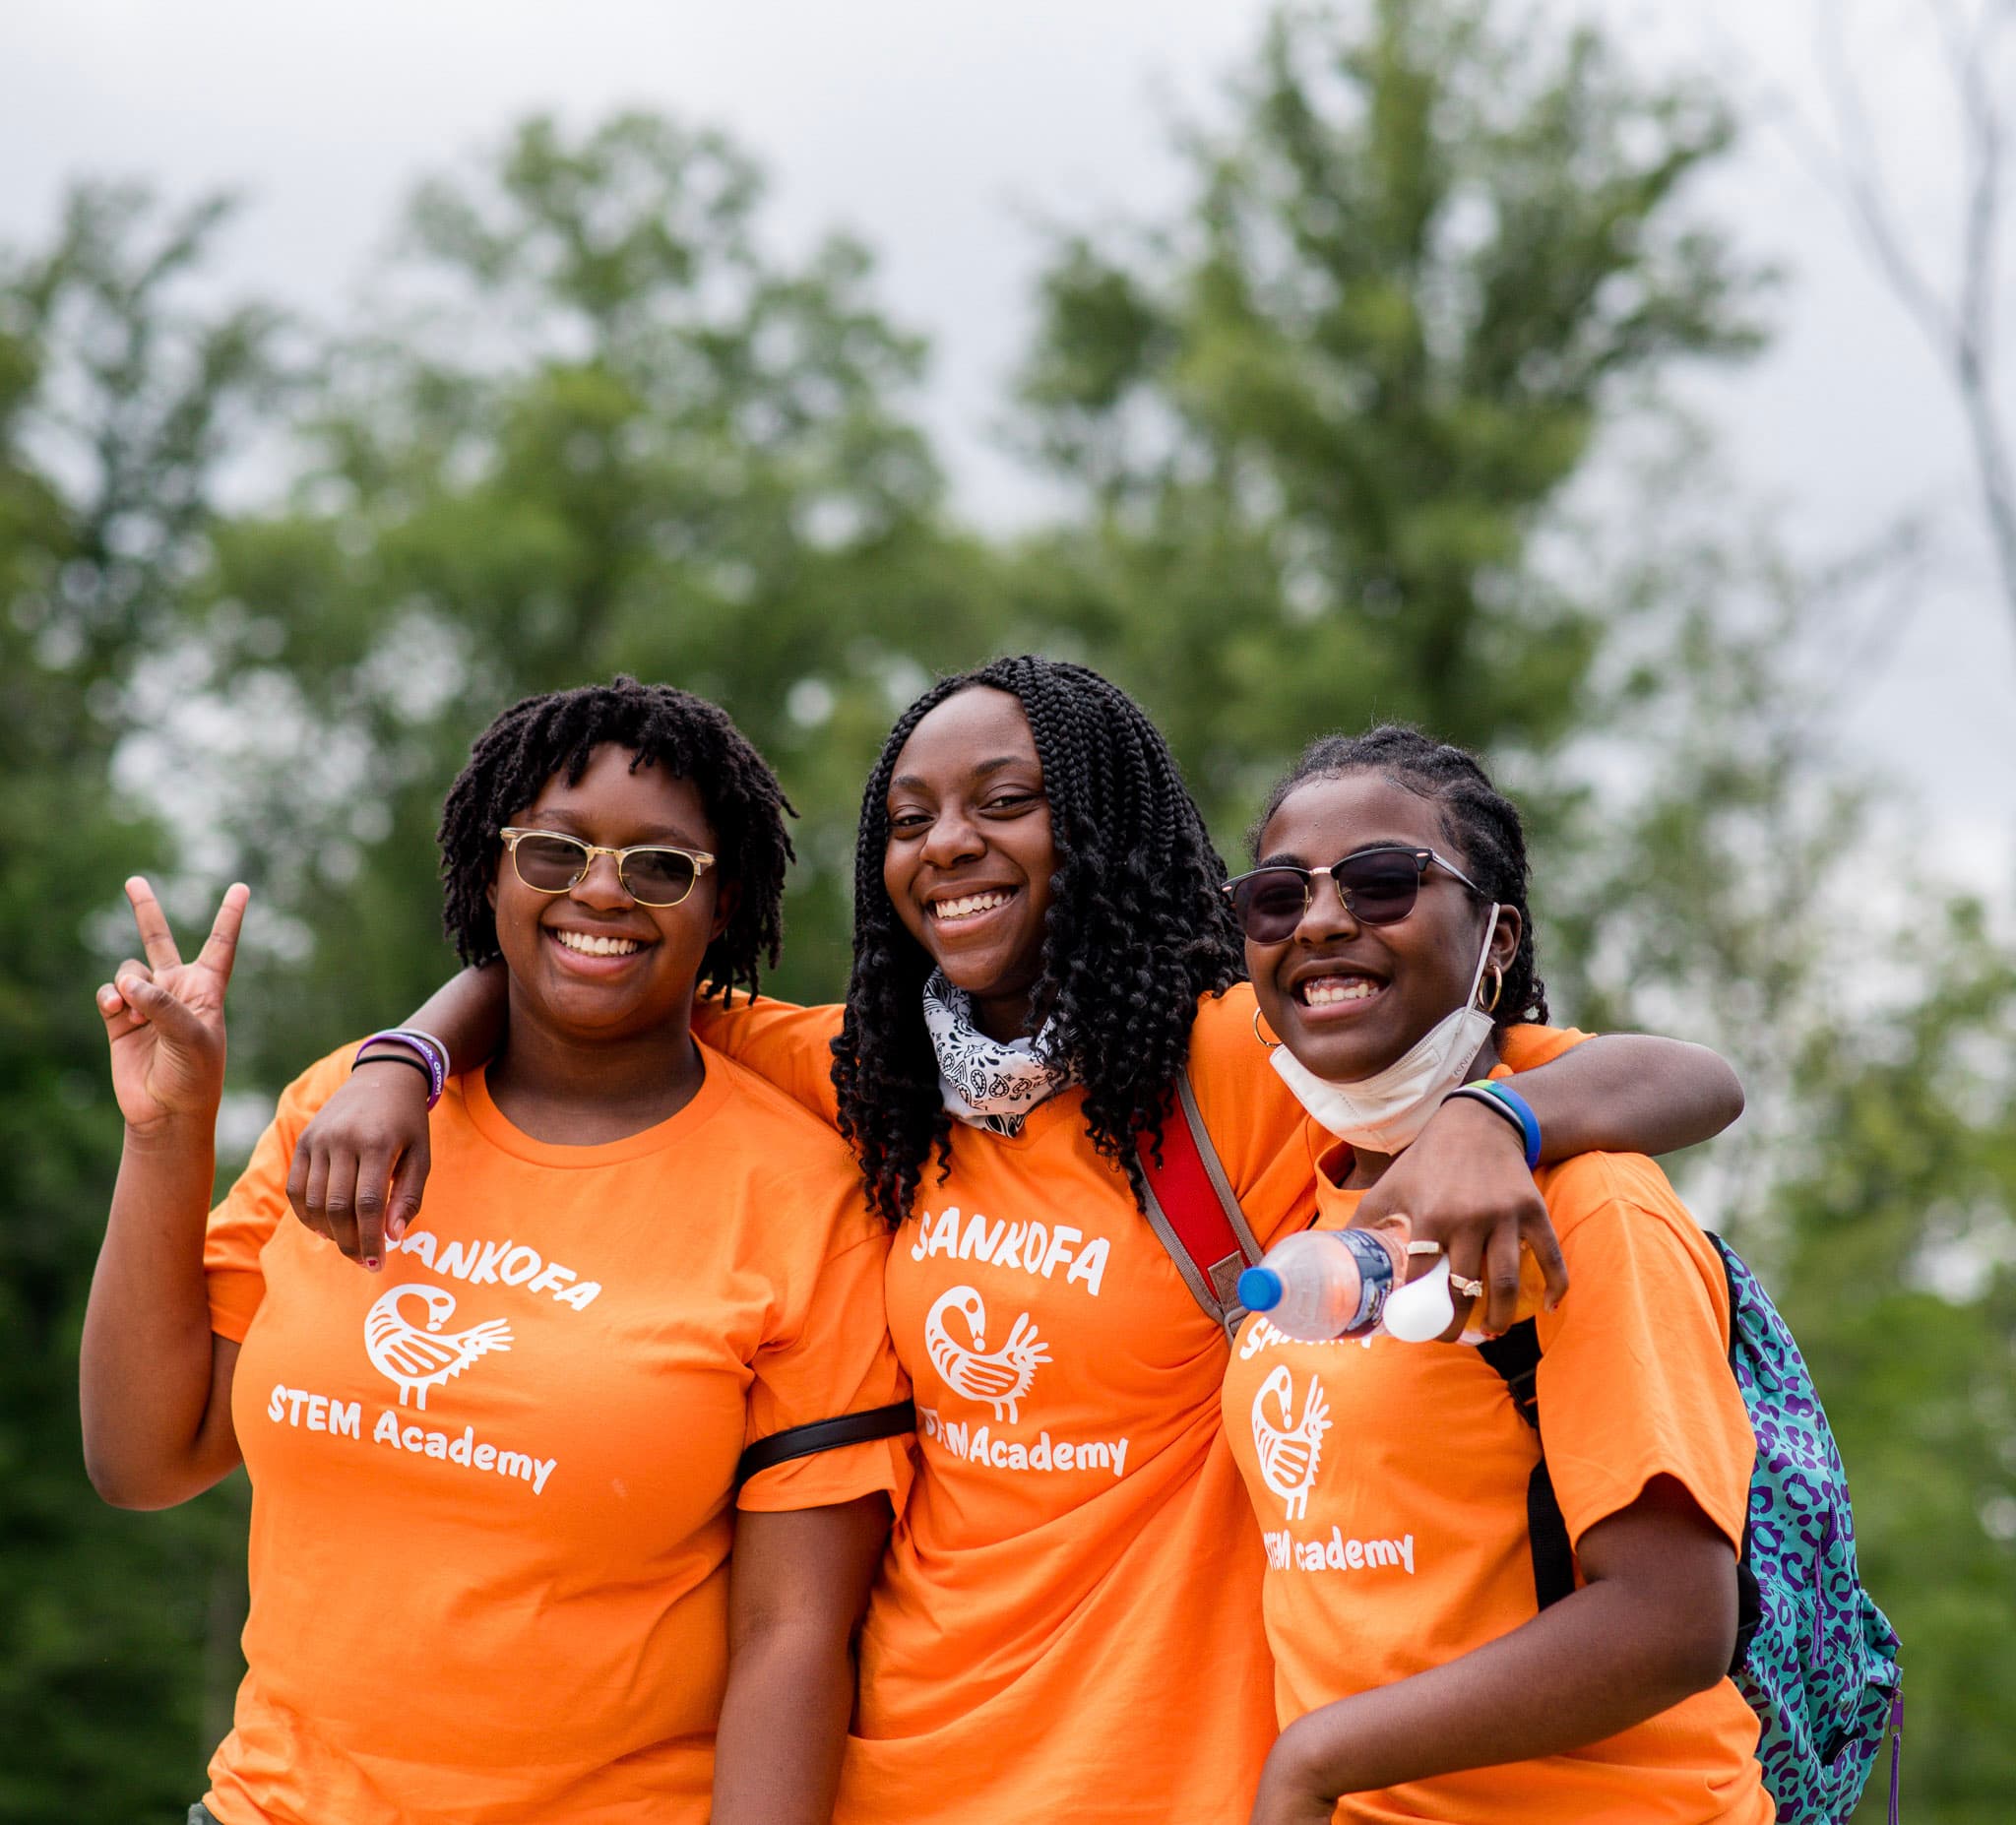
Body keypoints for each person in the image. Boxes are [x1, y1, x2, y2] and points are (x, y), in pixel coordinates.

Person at [293, 658, 1746, 1825]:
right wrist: (401, 1057)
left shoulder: (1241, 1060)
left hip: (1166, 1771)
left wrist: (1494, 1118)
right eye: (911, 818)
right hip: (900, 1770)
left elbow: (1682, 1076)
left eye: (1006, 802)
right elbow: (591, 971)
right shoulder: (870, 1074)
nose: (951, 844)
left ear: (1095, 830)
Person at [80, 678, 910, 1825]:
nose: (601, 891)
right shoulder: (339, 1115)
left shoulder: (803, 1200)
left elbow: (793, 1635)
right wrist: (167, 1131)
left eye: (659, 867)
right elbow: (146, 1459)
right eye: (554, 851)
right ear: (491, 870)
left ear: (723, 904)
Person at [1222, 724, 1770, 1824]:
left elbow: (1672, 1622)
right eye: (1278, 898)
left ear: (1497, 936)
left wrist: (1316, 1759)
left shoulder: (1589, 1205)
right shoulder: (1308, 1193)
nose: (1320, 921)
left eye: (1381, 883)